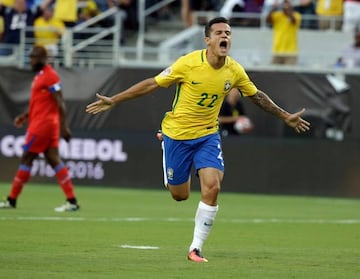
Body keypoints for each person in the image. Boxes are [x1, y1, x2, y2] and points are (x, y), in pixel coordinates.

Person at [85, 17, 310, 262]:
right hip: (177, 135)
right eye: (219, 33)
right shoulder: (189, 63)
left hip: (207, 136)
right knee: (179, 195)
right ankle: (164, 143)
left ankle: (195, 248)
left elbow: (257, 97)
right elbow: (152, 83)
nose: (225, 37)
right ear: (208, 40)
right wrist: (115, 99)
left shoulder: (234, 70)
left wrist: (284, 115)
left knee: (213, 187)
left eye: (228, 33)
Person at [0, 45, 80, 212]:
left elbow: (60, 102)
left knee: (26, 158)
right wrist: (25, 116)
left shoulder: (50, 76)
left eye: (33, 57)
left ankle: (11, 200)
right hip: (45, 124)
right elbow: (39, 103)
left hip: (42, 126)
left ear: (43, 58)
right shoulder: (40, 76)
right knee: (54, 160)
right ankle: (71, 201)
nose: (31, 60)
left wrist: (64, 127)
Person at [266, 0, 301, 65]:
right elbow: (267, 20)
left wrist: (288, 9)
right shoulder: (278, 15)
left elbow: (294, 21)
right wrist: (274, 8)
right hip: (277, 50)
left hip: (291, 52)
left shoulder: (296, 15)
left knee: (290, 74)